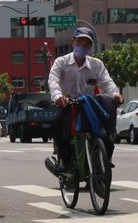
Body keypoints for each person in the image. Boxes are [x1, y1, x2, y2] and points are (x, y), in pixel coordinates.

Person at [44, 26, 123, 177]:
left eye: (87, 44)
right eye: (80, 42)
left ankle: (104, 160)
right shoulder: (61, 62)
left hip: (90, 106)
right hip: (69, 104)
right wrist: (58, 97)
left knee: (107, 131)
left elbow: (107, 82)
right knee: (58, 124)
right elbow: (53, 81)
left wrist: (115, 95)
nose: (83, 46)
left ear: (91, 47)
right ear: (73, 42)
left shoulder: (96, 64)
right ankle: (65, 163)